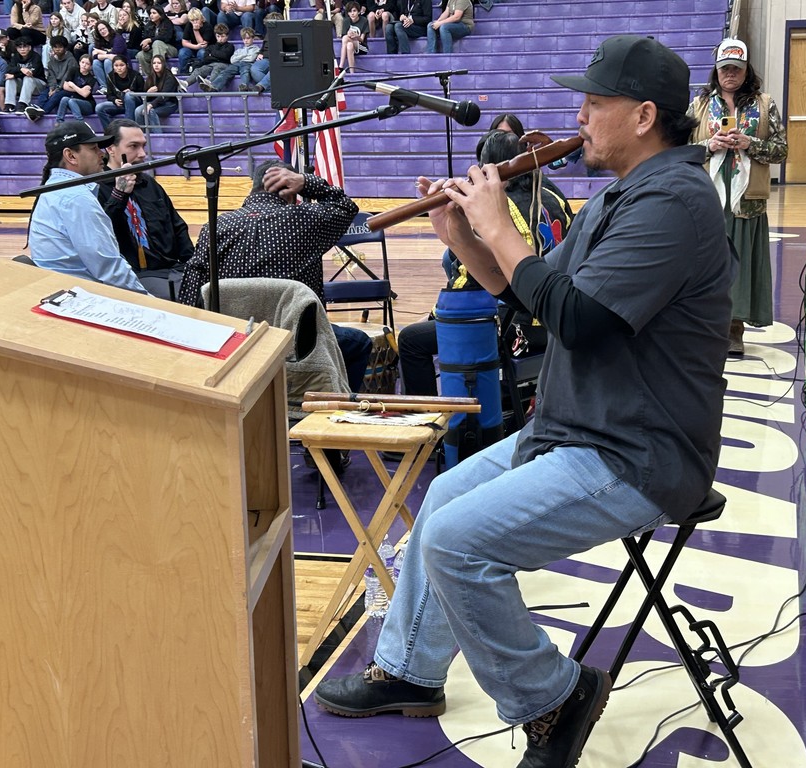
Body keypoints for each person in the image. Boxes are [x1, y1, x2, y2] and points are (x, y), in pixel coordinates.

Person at [311, 35, 734, 768]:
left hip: (640, 450)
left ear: (641, 116)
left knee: (455, 543)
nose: (580, 116)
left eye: (594, 103)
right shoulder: (623, 195)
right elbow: (532, 293)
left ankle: (554, 697)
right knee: (443, 496)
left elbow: (579, 319)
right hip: (581, 426)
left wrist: (501, 221)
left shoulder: (676, 203)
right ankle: (409, 670)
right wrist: (467, 235)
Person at [397, 129, 573, 398]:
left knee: (410, 340)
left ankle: (430, 423)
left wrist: (435, 314)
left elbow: (469, 281)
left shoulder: (493, 207)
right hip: (558, 322)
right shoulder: (555, 197)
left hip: (519, 329)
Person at [176, 160, 374, 392]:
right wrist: (307, 183)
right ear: (291, 190)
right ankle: (334, 405)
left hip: (233, 344)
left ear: (254, 187)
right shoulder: (306, 219)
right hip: (297, 346)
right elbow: (346, 206)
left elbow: (191, 289)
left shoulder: (216, 226)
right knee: (359, 343)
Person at [689, 37, 787, 356]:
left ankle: (734, 330)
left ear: (747, 71)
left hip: (747, 201)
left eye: (736, 68)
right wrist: (710, 146)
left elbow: (781, 151)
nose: (730, 74)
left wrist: (750, 144)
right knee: (707, 266)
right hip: (708, 200)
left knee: (741, 268)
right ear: (716, 71)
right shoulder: (699, 106)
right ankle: (704, 328)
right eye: (724, 68)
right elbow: (682, 150)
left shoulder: (764, 103)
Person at [29, 121, 149, 294]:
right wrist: (151, 301)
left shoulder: (57, 188)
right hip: (82, 297)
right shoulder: (75, 198)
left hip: (63, 290)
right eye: (93, 148)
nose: (101, 154)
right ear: (71, 156)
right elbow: (110, 270)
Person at [97, 119, 194, 298]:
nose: (142, 154)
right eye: (133, 146)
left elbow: (177, 226)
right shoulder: (96, 187)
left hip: (171, 270)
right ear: (110, 148)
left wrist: (194, 265)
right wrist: (119, 194)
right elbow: (100, 233)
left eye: (143, 146)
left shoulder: (149, 183)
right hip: (131, 276)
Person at [24, 35, 77, 121]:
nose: (57, 49)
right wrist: (52, 88)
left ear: (65, 48)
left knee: (56, 96)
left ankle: (42, 111)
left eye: (60, 47)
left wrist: (57, 89)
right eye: (55, 47)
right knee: (44, 93)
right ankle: (38, 107)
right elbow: (51, 77)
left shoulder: (71, 60)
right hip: (55, 85)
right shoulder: (51, 61)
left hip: (68, 87)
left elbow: (67, 77)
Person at [201, 25, 257, 92]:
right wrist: (244, 55)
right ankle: (214, 87)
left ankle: (244, 85)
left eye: (248, 38)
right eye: (244, 38)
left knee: (245, 71)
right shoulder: (239, 50)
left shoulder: (256, 49)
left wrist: (239, 57)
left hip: (247, 64)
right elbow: (232, 60)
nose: (246, 40)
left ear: (253, 39)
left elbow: (251, 58)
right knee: (225, 72)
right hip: (236, 64)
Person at [95, 55, 143, 128]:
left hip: (134, 103)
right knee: (99, 108)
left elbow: (142, 92)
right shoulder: (110, 76)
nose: (119, 68)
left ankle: (128, 127)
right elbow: (109, 95)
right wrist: (114, 100)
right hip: (120, 103)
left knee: (128, 95)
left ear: (126, 65)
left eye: (121, 65)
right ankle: (110, 131)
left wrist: (132, 92)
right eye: (116, 65)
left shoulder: (135, 75)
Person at [133, 53, 178, 132]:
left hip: (170, 104)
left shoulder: (169, 77)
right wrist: (148, 93)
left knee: (151, 111)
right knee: (137, 111)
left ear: (163, 64)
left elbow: (165, 96)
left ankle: (158, 138)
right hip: (155, 103)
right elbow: (145, 96)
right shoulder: (151, 76)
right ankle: (141, 135)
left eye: (159, 63)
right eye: (154, 63)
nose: (156, 65)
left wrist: (151, 105)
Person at [4, 33, 46, 113]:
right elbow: (9, 69)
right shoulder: (15, 57)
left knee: (27, 78)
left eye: (25, 47)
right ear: (16, 48)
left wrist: (15, 75)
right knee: (9, 80)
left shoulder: (36, 57)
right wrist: (21, 69)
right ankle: (9, 105)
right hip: (24, 85)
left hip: (39, 85)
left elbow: (32, 73)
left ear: (29, 47)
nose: (22, 49)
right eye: (20, 47)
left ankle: (23, 105)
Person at [184, 23, 232, 90]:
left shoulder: (230, 46)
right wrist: (218, 56)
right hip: (211, 64)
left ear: (227, 36)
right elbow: (206, 58)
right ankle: (185, 83)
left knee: (217, 67)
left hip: (224, 65)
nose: (220, 39)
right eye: (218, 36)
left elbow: (225, 56)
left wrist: (212, 54)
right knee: (200, 70)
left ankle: (210, 84)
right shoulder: (211, 46)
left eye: (222, 36)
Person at [136, 5, 177, 77]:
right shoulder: (148, 25)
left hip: (170, 49)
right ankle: (151, 77)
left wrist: (150, 40)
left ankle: (160, 74)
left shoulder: (167, 23)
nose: (151, 15)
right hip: (154, 49)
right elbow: (145, 39)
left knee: (157, 43)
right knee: (140, 55)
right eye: (150, 13)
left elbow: (166, 38)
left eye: (154, 13)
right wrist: (146, 47)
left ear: (160, 15)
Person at [54, 52, 97, 121]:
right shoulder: (73, 70)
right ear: (79, 62)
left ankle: (80, 123)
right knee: (64, 99)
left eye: (87, 64)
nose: (84, 65)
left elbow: (85, 94)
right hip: (75, 101)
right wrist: (81, 90)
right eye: (82, 62)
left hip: (88, 105)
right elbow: (65, 86)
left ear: (90, 66)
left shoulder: (91, 79)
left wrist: (73, 85)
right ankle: (59, 122)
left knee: (71, 101)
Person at [90, 19, 126, 90]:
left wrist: (101, 52)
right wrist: (108, 55)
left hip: (122, 62)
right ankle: (104, 87)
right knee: (95, 63)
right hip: (107, 61)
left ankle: (112, 86)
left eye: (103, 28)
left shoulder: (117, 38)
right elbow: (95, 56)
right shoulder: (99, 41)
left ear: (108, 27)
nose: (102, 31)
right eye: (100, 30)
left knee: (107, 61)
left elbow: (116, 54)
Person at [337, 2, 368, 73]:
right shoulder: (346, 21)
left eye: (354, 11)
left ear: (359, 12)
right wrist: (349, 35)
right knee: (349, 45)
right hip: (351, 45)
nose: (352, 13)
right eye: (350, 11)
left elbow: (362, 40)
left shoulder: (364, 20)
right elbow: (344, 39)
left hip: (362, 47)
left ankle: (340, 66)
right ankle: (352, 72)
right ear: (348, 13)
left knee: (345, 38)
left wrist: (356, 36)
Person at [176, 7, 208, 74]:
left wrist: (196, 30)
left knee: (202, 53)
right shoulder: (189, 25)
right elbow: (184, 42)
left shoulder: (207, 26)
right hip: (194, 47)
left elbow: (202, 44)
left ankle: (201, 73)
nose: (195, 22)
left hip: (206, 49)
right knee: (182, 52)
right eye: (192, 20)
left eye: (197, 19)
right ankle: (183, 73)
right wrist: (195, 47)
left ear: (201, 18)